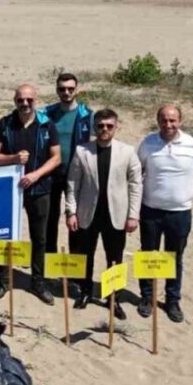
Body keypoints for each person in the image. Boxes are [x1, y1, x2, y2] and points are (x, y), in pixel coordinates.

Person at [135, 105, 193, 323]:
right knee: (148, 255)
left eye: (172, 120)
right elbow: (136, 174)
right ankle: (146, 297)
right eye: (164, 120)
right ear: (158, 121)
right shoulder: (148, 143)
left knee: (174, 257)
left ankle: (172, 300)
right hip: (150, 210)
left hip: (180, 212)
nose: (168, 125)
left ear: (180, 121)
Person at [65, 108, 142, 317]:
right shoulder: (82, 151)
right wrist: (71, 212)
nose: (104, 129)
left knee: (115, 257)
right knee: (85, 255)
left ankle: (113, 298)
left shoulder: (127, 152)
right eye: (100, 125)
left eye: (109, 126)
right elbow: (72, 184)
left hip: (116, 214)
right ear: (94, 127)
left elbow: (136, 185)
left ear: (116, 127)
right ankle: (85, 292)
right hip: (87, 213)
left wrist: (133, 215)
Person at [0, 84, 62, 305]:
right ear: (15, 100)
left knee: (39, 238)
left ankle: (38, 282)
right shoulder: (4, 124)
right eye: (21, 99)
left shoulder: (46, 124)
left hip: (39, 188)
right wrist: (13, 159)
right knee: (5, 236)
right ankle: (3, 281)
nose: (25, 103)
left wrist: (36, 174)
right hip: (9, 190)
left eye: (29, 99)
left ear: (35, 100)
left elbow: (56, 157)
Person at [44, 72, 93, 262]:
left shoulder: (87, 115)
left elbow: (93, 144)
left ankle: (74, 267)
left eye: (70, 89)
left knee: (76, 219)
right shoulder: (46, 114)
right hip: (51, 172)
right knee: (49, 219)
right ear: (57, 90)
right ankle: (49, 263)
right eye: (62, 89)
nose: (66, 92)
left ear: (77, 90)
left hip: (77, 175)